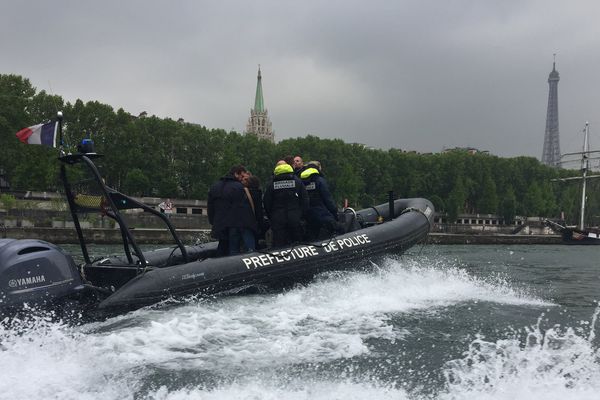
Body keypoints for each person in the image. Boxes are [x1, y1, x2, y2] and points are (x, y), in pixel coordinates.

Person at [207, 165, 257, 256]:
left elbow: (210, 207)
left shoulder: (215, 187)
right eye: (242, 176)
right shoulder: (239, 187)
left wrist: (213, 222)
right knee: (249, 250)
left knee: (227, 249)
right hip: (239, 223)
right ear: (236, 174)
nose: (243, 179)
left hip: (221, 224)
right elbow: (245, 208)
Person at [263, 160, 309, 247]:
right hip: (295, 218)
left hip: (278, 219)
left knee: (279, 246)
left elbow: (266, 202)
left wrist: (272, 216)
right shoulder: (297, 181)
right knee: (297, 245)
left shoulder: (271, 184)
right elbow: (305, 200)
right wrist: (301, 215)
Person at [300, 161, 339, 240]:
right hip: (321, 214)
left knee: (311, 237)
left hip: (307, 217)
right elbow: (328, 199)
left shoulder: (301, 182)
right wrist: (335, 212)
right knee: (339, 229)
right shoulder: (320, 180)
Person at [243, 173, 267, 249]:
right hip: (255, 222)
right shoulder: (258, 194)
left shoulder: (244, 193)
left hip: (245, 221)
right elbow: (259, 211)